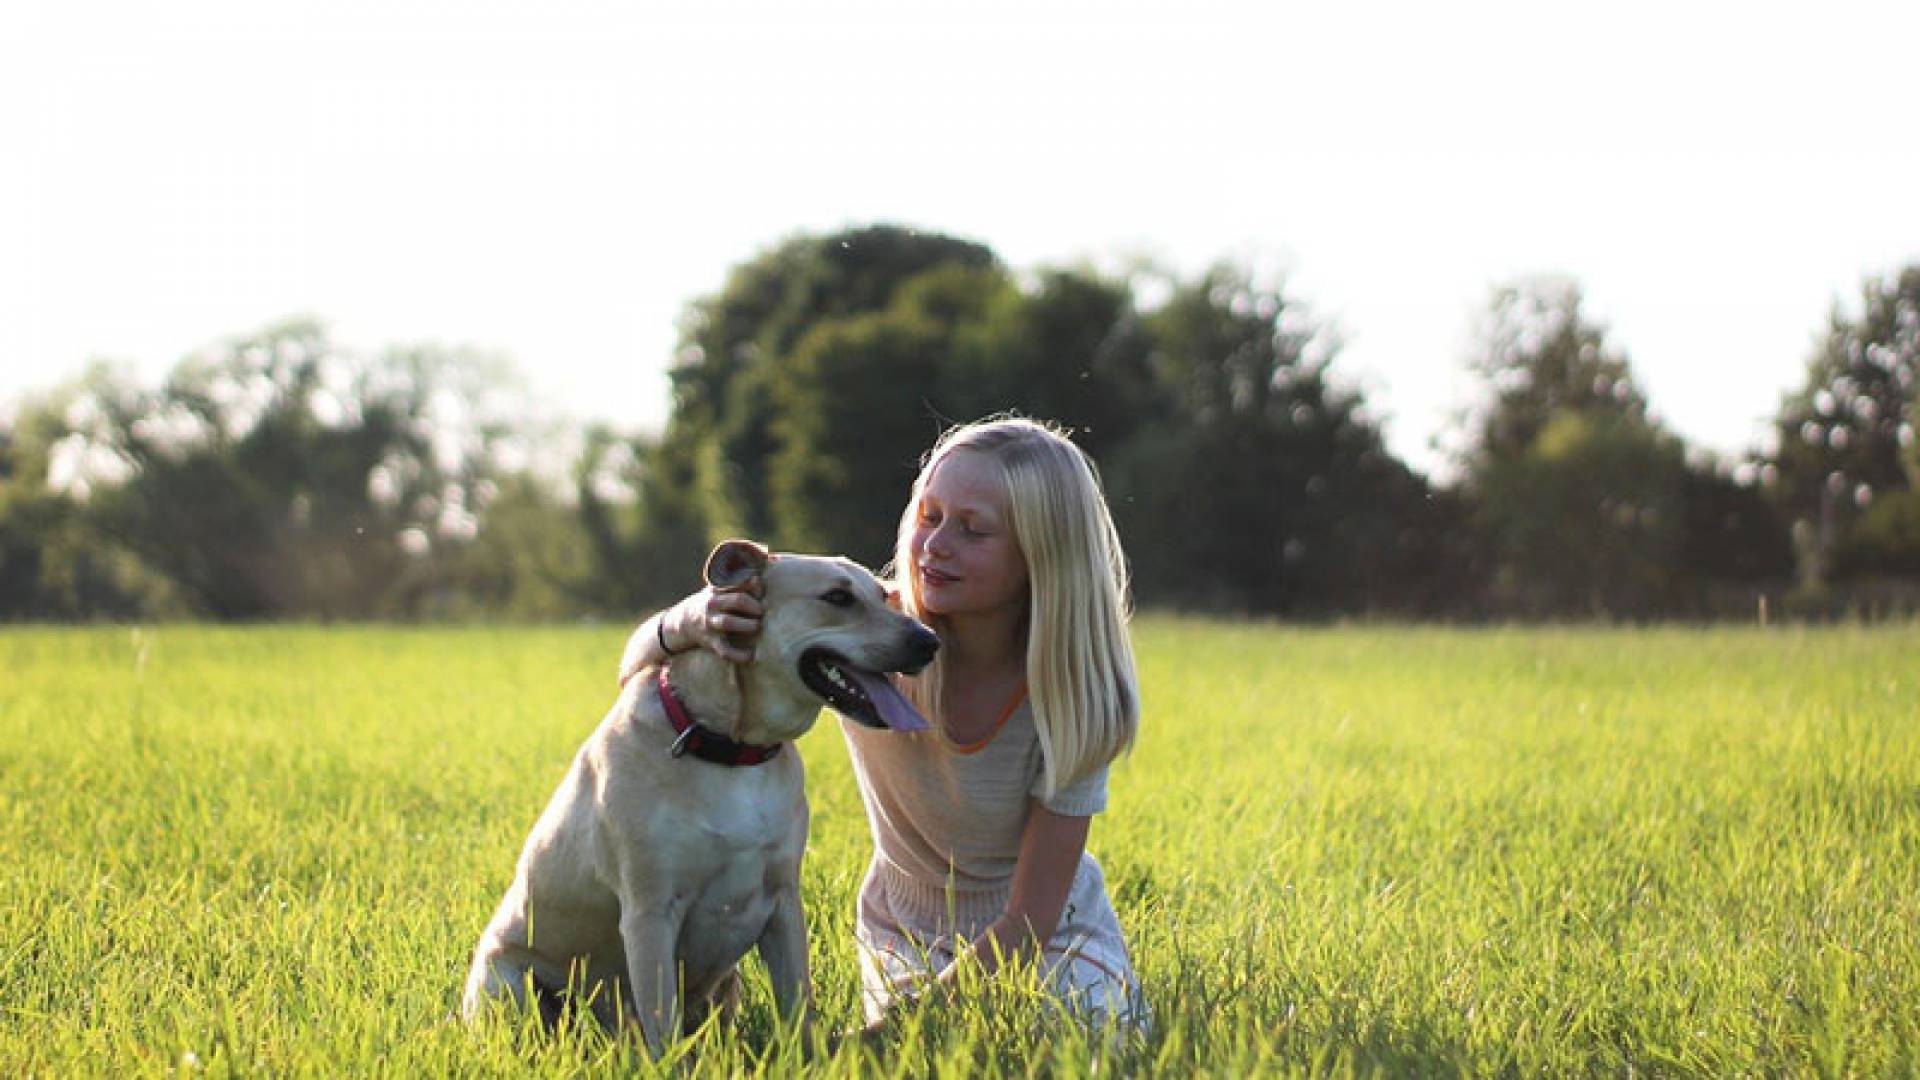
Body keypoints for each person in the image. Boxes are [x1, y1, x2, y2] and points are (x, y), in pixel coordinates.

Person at [619, 415, 1147, 1034]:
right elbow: (637, 665)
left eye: (973, 530)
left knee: (1076, 1033)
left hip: (1051, 932)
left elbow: (1029, 919)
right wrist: (691, 620)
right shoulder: (864, 628)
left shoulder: (1077, 694)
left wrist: (878, 1036)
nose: (935, 544)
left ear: (1042, 556)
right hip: (907, 929)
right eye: (929, 516)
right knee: (938, 1051)